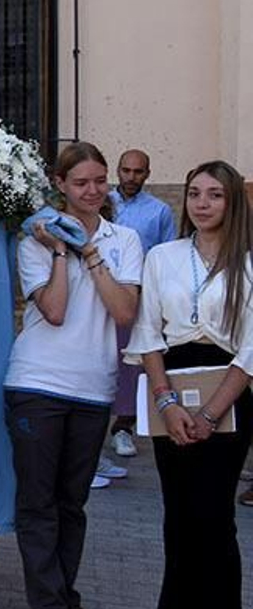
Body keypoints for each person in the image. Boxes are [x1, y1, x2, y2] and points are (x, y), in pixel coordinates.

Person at [4, 143, 142, 609]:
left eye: (99, 181)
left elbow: (124, 311)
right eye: (81, 182)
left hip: (93, 387)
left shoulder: (122, 239)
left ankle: (64, 596)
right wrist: (61, 249)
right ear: (59, 184)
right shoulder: (34, 240)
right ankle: (49, 607)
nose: (92, 191)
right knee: (39, 502)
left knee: (73, 502)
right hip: (38, 383)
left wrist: (89, 251)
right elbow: (56, 311)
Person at [124, 159, 253, 609]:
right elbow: (148, 331)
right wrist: (168, 401)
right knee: (177, 516)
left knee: (211, 521)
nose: (202, 203)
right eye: (195, 193)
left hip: (229, 395)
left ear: (233, 204)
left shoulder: (248, 266)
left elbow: (250, 349)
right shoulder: (163, 257)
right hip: (170, 388)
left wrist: (208, 412)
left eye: (215, 195)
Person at [105, 149, 179, 466]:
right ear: (117, 171)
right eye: (126, 170)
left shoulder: (159, 211)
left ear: (147, 174)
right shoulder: (102, 202)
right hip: (99, 290)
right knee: (100, 356)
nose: (131, 177)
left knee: (132, 361)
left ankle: (124, 427)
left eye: (138, 172)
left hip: (140, 295)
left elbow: (166, 255)